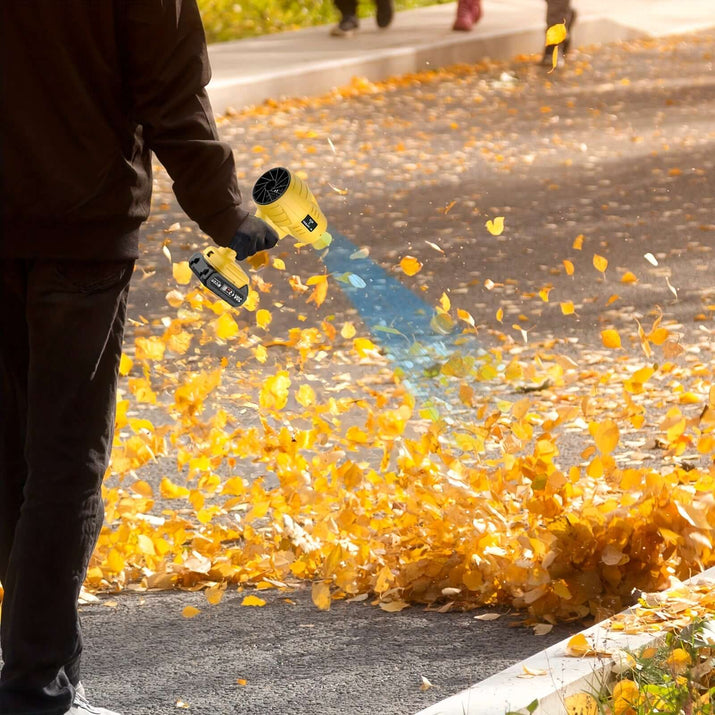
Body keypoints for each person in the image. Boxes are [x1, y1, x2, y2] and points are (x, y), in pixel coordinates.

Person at [0, 2, 278, 714]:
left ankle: (39, 668)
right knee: (65, 460)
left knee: (14, 453)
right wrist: (229, 216)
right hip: (82, 227)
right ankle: (36, 687)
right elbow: (171, 95)